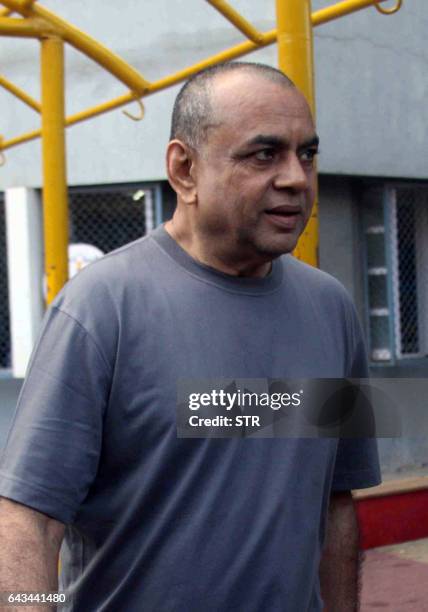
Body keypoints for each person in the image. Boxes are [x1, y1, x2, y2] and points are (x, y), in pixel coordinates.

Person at [0, 61, 381, 611]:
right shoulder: (102, 308)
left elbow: (334, 504)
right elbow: (28, 521)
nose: (297, 178)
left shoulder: (331, 309)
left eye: (308, 154)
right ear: (184, 169)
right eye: (264, 154)